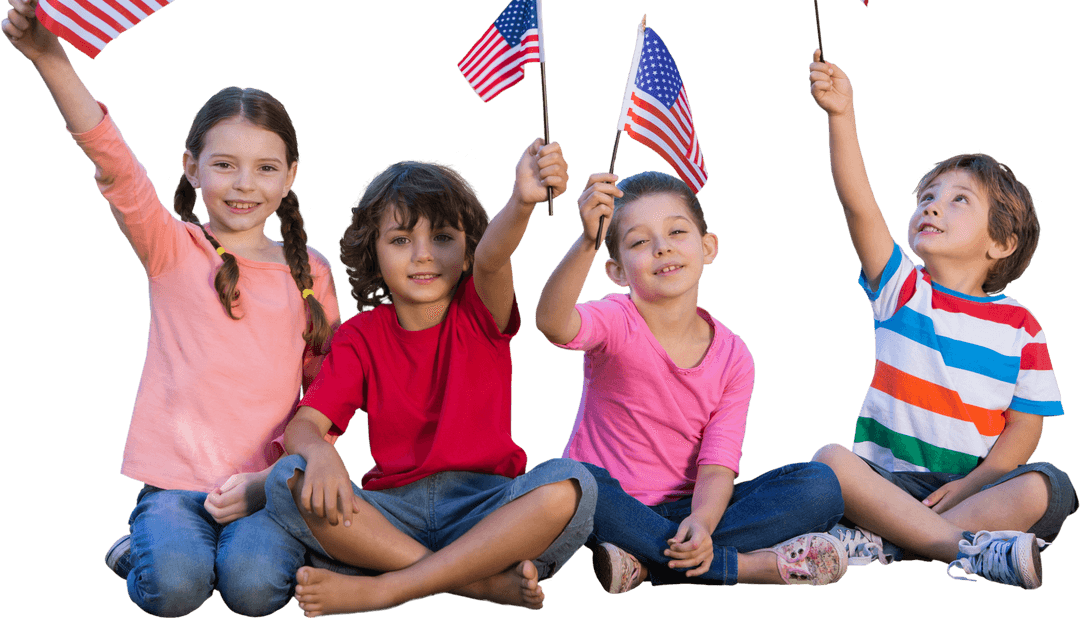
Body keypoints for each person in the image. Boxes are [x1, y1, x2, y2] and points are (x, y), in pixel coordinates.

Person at [3, 0, 340, 616]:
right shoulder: (172, 248)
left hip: (261, 486)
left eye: (266, 168)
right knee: (175, 588)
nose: (245, 184)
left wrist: (271, 484)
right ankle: (142, 547)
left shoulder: (311, 270)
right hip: (175, 485)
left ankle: (262, 545)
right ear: (191, 167)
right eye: (225, 164)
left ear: (292, 175)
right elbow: (115, 165)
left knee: (255, 591)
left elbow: (327, 394)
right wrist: (52, 59)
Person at [261, 144, 597, 617]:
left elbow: (494, 260)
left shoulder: (480, 311)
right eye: (400, 240)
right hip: (393, 514)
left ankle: (387, 589)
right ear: (374, 254)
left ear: (467, 252)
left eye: (442, 238)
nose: (423, 256)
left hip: (487, 507)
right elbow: (304, 424)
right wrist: (319, 453)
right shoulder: (360, 336)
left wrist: (521, 202)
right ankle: (476, 584)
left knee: (573, 485)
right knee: (284, 480)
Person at [806, 49, 1076, 588]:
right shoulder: (902, 291)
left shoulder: (1022, 327)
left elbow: (1025, 427)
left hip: (974, 487)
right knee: (829, 461)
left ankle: (883, 546)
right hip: (886, 482)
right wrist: (842, 116)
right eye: (928, 197)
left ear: (1001, 243)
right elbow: (859, 204)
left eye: (958, 201)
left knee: (1052, 488)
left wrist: (979, 482)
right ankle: (960, 547)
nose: (932, 206)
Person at [535, 169, 849, 591]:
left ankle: (645, 563)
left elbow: (718, 465)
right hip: (608, 507)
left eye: (676, 232)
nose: (662, 248)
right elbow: (553, 323)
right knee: (568, 479)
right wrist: (586, 242)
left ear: (708, 247)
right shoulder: (615, 319)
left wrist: (701, 522)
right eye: (640, 242)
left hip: (690, 508)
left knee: (820, 486)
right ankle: (745, 567)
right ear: (617, 271)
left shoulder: (735, 355)